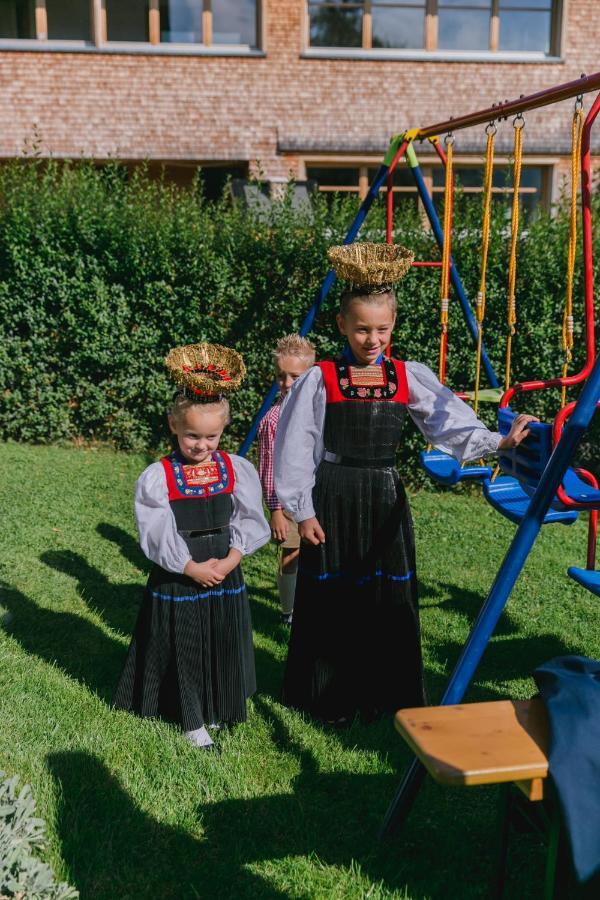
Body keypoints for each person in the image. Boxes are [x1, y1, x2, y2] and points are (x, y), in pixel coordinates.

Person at [274, 243, 536, 725]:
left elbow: (448, 423)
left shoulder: (407, 376)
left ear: (392, 327)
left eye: (381, 329)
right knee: (334, 596)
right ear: (341, 326)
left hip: (384, 495)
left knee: (386, 595)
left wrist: (498, 441)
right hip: (333, 493)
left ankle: (385, 695)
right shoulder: (320, 378)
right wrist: (302, 511)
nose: (371, 339)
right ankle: (327, 698)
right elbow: (294, 446)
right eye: (361, 329)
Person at [113, 342, 270, 749]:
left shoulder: (235, 468)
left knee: (221, 639)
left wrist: (232, 557)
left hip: (224, 565)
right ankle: (190, 717)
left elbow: (249, 520)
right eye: (192, 436)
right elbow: (155, 532)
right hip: (181, 573)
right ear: (174, 425)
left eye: (211, 436)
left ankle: (216, 706)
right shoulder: (158, 477)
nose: (202, 445)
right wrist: (189, 567)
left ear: (223, 431)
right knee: (185, 646)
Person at [257, 334, 316, 625]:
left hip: (317, 497)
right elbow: (268, 468)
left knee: (319, 554)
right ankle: (289, 612)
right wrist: (276, 511)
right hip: (288, 502)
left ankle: (317, 606)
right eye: (281, 376)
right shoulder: (272, 420)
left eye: (295, 376)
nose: (287, 382)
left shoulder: (321, 412)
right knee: (291, 554)